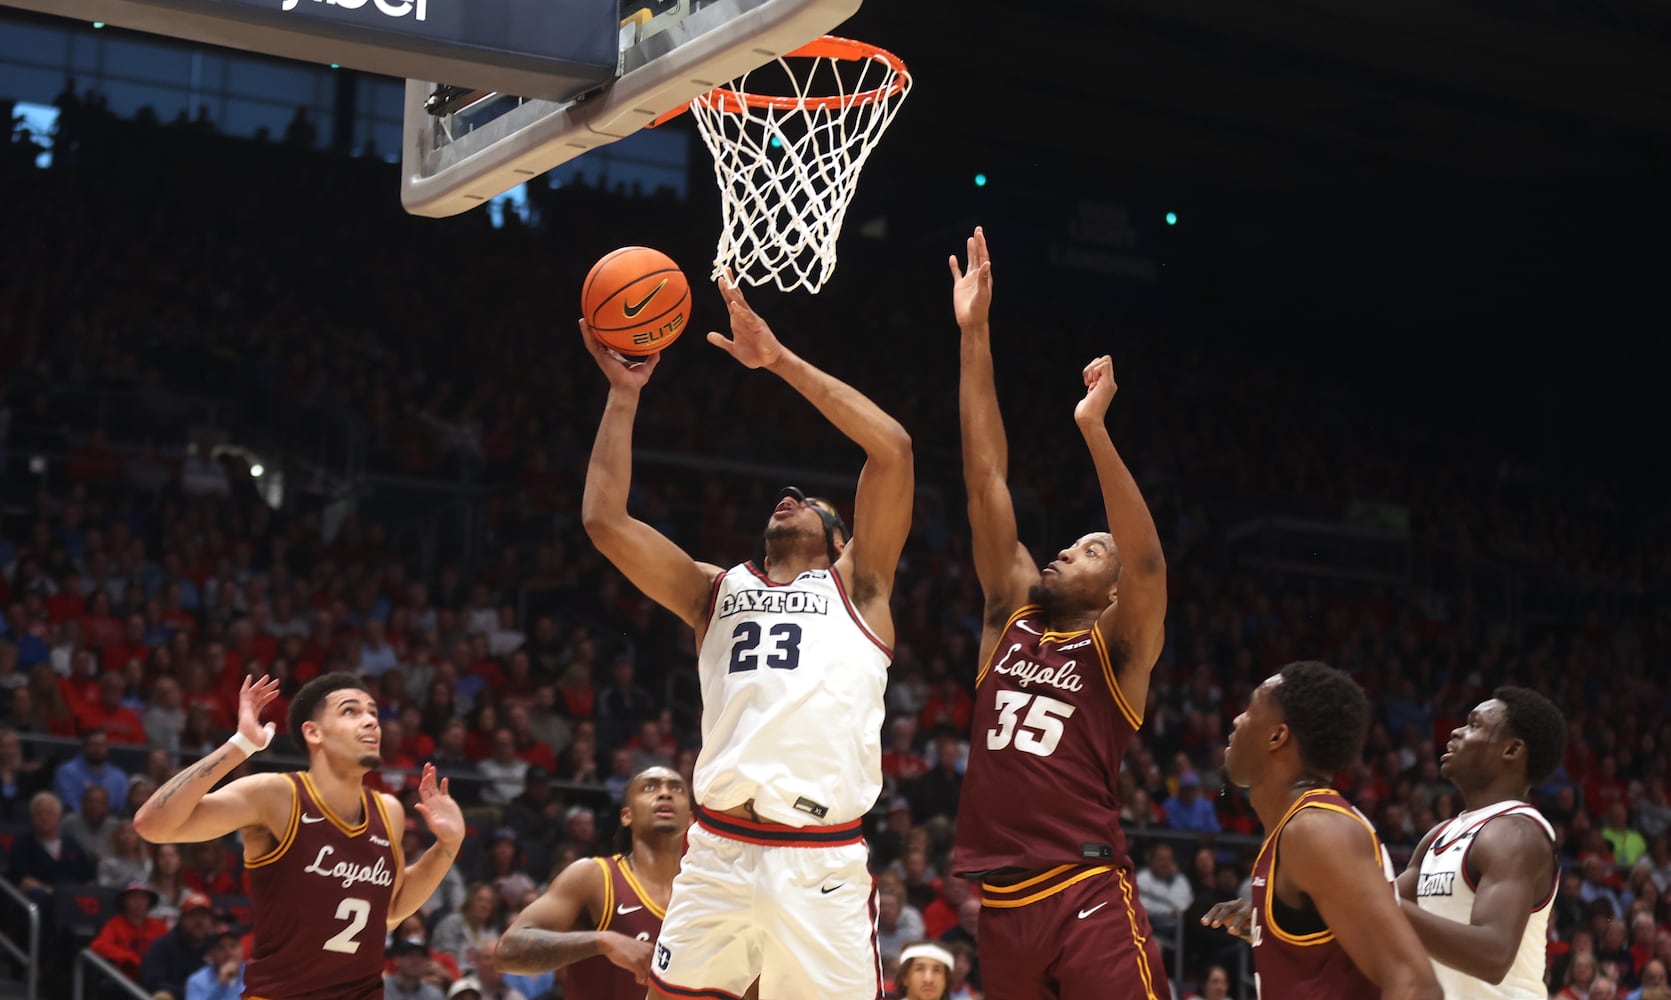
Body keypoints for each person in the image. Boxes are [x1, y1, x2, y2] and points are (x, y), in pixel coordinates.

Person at [578, 269, 913, 1000]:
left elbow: (890, 448)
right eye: (782, 496)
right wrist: (623, 395)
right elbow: (605, 522)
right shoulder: (713, 590)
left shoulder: (859, 587)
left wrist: (780, 361)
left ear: (838, 540)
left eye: (807, 502)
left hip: (818, 862)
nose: (785, 498)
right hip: (719, 855)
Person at [947, 225, 1171, 999]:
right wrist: (974, 334)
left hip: (1085, 890)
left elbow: (1145, 564)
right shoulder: (1009, 614)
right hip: (1001, 904)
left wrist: (1093, 430)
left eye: (1087, 551)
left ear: (1110, 596)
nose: (1064, 552)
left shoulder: (1119, 651)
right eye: (1070, 543)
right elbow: (985, 479)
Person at [134, 673, 465, 1000]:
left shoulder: (389, 810)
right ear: (313, 732)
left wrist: (446, 848)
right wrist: (240, 746)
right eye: (351, 711)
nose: (370, 722)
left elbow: (390, 913)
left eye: (373, 712)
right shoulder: (278, 795)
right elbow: (153, 824)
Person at [1201, 661, 1441, 999]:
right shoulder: (1305, 827)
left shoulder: (1315, 830)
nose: (1238, 720)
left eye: (1250, 709)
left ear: (1276, 736)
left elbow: (1416, 985)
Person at [1396, 686, 1567, 997]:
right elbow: (1382, 912)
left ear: (1512, 750)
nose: (1456, 732)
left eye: (1474, 725)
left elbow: (1492, 956)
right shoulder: (1439, 835)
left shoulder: (1516, 835)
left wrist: (1374, 897)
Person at [499, 766, 689, 998]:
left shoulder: (708, 894)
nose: (665, 793)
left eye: (676, 788)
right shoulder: (595, 877)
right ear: (626, 815)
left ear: (691, 818)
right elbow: (507, 953)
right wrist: (601, 941)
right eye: (649, 787)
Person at [184, 927, 246, 1000]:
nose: (229, 953)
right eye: (221, 948)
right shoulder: (196, 982)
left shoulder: (253, 973)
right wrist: (220, 986)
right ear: (212, 953)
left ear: (242, 949)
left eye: (233, 946)